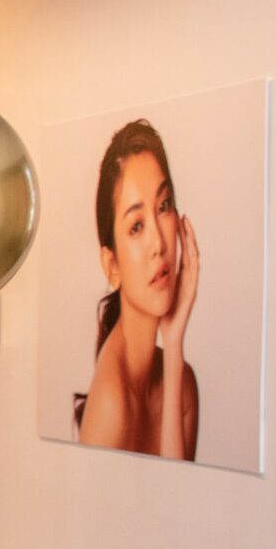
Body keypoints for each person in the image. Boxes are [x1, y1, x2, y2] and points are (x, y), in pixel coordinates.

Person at [75, 119, 199, 459]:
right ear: (111, 266)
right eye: (137, 226)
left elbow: (180, 494)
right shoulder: (111, 402)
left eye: (163, 206)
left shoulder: (180, 380)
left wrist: (173, 344)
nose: (159, 243)